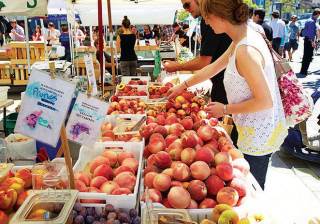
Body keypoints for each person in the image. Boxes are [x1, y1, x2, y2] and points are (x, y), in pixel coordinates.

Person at [168, 0, 287, 189]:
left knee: (250, 190)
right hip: (249, 128)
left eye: (208, 18)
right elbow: (215, 67)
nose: (207, 23)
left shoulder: (246, 50)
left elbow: (265, 101)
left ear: (219, 16)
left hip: (257, 135)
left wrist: (224, 109)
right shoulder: (240, 38)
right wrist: (182, 86)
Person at [299, 8, 320, 77]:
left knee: (306, 56)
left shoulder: (310, 20)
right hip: (309, 40)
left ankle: (303, 70)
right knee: (308, 56)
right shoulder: (312, 22)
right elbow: (310, 33)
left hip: (307, 40)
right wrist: (312, 42)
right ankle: (304, 71)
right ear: (317, 14)